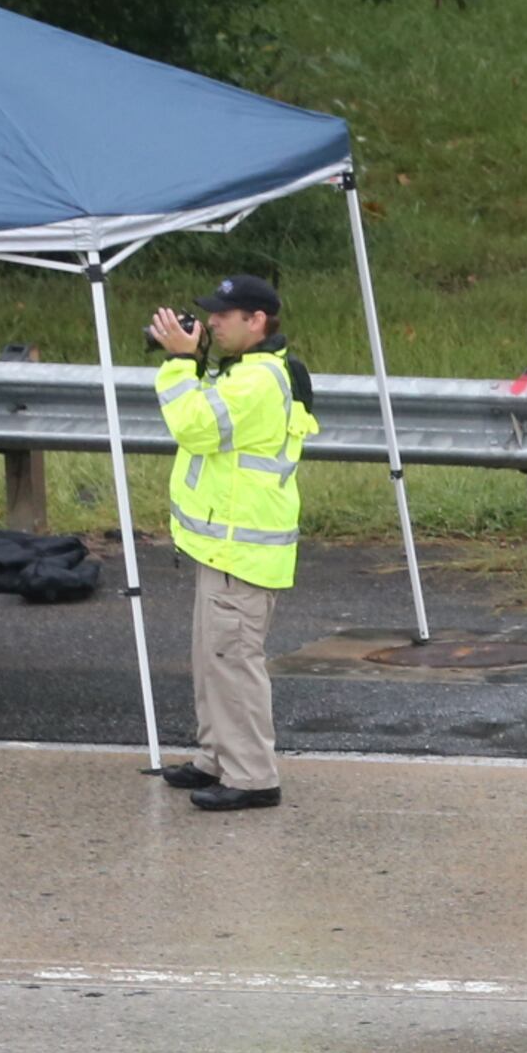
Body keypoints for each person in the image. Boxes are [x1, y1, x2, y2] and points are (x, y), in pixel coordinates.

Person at [148, 275, 315, 813]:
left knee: (234, 662)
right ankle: (216, 757)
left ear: (257, 321)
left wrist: (178, 363)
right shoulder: (246, 370)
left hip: (242, 550)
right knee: (213, 658)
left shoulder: (259, 381)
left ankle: (251, 776)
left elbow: (195, 427)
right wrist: (197, 359)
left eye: (224, 315)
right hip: (222, 545)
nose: (213, 322)